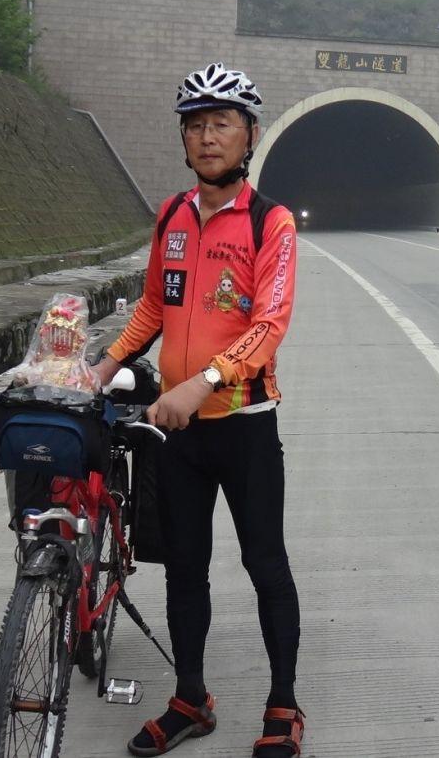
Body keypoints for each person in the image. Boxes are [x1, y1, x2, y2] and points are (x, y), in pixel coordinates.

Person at [92, 63, 303, 758]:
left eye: (221, 124)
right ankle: (190, 697)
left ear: (249, 136)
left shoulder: (270, 222)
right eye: (195, 125)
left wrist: (203, 380)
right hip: (176, 432)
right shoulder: (172, 216)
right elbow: (155, 304)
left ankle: (282, 703)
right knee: (184, 567)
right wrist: (105, 365)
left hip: (242, 426)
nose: (207, 137)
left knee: (265, 563)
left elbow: (270, 322)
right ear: (184, 140)